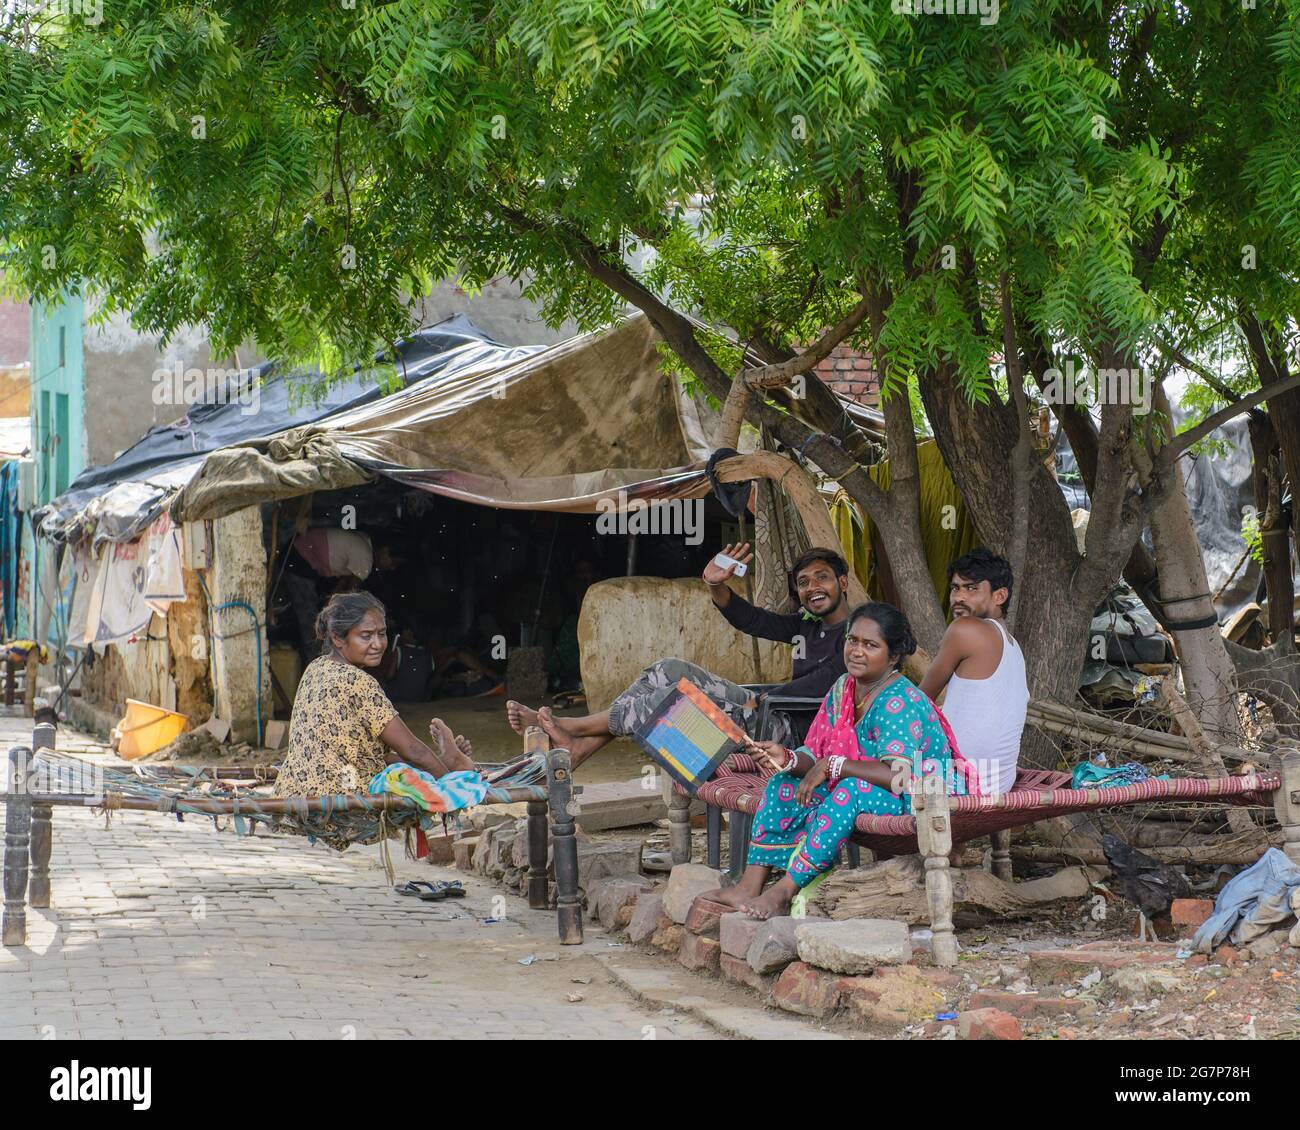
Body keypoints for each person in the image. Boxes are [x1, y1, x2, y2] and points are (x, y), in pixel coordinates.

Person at [705, 601, 976, 920]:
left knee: (850, 789)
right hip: (869, 786)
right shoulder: (843, 688)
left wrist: (833, 765)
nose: (857, 651)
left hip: (918, 795)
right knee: (781, 785)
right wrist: (788, 758)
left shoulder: (899, 700)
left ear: (893, 656)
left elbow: (896, 775)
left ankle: (783, 892)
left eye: (870, 645)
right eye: (853, 641)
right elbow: (815, 752)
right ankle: (749, 885)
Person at [504, 545, 852, 768]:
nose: (812, 587)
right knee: (665, 670)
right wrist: (715, 584)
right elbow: (753, 620)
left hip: (795, 733)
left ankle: (571, 728)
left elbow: (828, 681)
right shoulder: (806, 625)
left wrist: (763, 698)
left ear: (843, 582)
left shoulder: (857, 633)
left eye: (822, 578)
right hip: (771, 709)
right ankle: (581, 745)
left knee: (669, 700)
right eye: (804, 582)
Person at [274, 592, 479, 847]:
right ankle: (449, 766)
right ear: (338, 638)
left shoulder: (316, 668)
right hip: (342, 806)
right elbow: (413, 748)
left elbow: (362, 751)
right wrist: (449, 787)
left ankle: (444, 762)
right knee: (407, 768)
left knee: (388, 759)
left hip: (296, 792)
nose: (378, 644)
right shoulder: (359, 682)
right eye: (366, 635)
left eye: (382, 634)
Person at [919, 548, 1029, 795]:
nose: (959, 597)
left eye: (971, 589)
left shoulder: (965, 629)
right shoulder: (1014, 646)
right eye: (955, 588)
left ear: (999, 595)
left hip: (960, 784)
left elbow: (918, 700)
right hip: (997, 784)